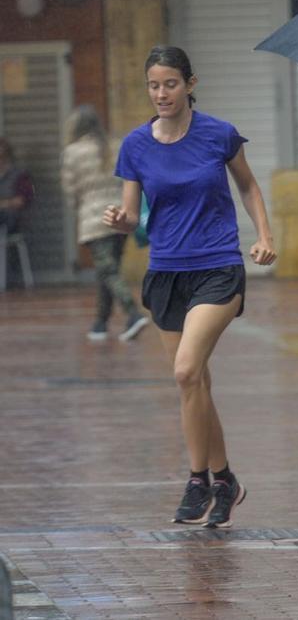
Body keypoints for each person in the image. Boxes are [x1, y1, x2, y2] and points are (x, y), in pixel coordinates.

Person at [103, 45, 276, 529]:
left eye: (171, 84)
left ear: (190, 85)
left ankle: (198, 477)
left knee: (184, 372)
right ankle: (225, 480)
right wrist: (120, 221)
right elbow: (133, 218)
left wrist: (264, 235)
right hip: (165, 274)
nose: (162, 93)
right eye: (154, 85)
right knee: (196, 382)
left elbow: (247, 185)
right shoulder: (135, 145)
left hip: (218, 267)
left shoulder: (218, 134)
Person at [61, 105, 150, 342]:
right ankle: (100, 323)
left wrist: (78, 209)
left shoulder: (72, 152)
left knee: (108, 270)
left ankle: (133, 313)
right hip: (120, 215)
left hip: (93, 218)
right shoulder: (116, 145)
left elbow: (71, 190)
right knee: (107, 269)